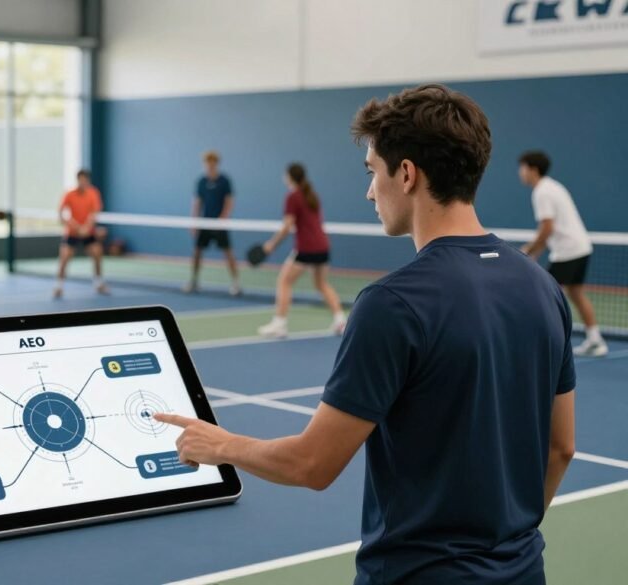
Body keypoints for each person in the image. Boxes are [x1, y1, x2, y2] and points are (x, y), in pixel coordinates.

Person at [157, 84, 575, 585]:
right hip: (524, 571)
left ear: (406, 173)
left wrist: (220, 444)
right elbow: (560, 449)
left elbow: (312, 464)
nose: (370, 191)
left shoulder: (393, 304)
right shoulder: (542, 286)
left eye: (373, 172)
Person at [519, 151, 607, 357]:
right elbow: (549, 230)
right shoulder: (553, 186)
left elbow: (547, 228)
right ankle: (596, 340)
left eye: (522, 167)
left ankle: (544, 344)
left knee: (543, 296)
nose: (520, 173)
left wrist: (528, 251)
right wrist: (535, 253)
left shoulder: (542, 192)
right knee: (575, 293)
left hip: (568, 252)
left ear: (533, 169)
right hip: (581, 247)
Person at [257, 163, 346, 337]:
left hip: (307, 249)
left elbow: (287, 225)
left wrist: (271, 245)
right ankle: (340, 320)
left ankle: (279, 324)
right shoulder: (312, 195)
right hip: (323, 247)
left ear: (289, 177)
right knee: (321, 284)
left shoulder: (293, 197)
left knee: (284, 281)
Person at [184, 151, 241, 296]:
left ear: (216, 163)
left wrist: (223, 218)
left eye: (212, 162)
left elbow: (229, 201)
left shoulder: (224, 181)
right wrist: (194, 222)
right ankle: (194, 281)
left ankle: (236, 283)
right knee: (197, 252)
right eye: (207, 162)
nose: (210, 165)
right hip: (204, 223)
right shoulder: (201, 182)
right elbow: (197, 202)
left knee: (228, 252)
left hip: (220, 224)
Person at [54, 169, 109, 299]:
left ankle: (98, 283)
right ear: (78, 180)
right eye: (81, 180)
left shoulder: (93, 193)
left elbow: (94, 214)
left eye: (86, 180)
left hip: (88, 233)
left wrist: (86, 228)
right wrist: (76, 227)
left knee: (97, 253)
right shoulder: (69, 194)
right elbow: (61, 214)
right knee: (64, 257)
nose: (83, 182)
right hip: (72, 233)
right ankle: (59, 286)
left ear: (88, 181)